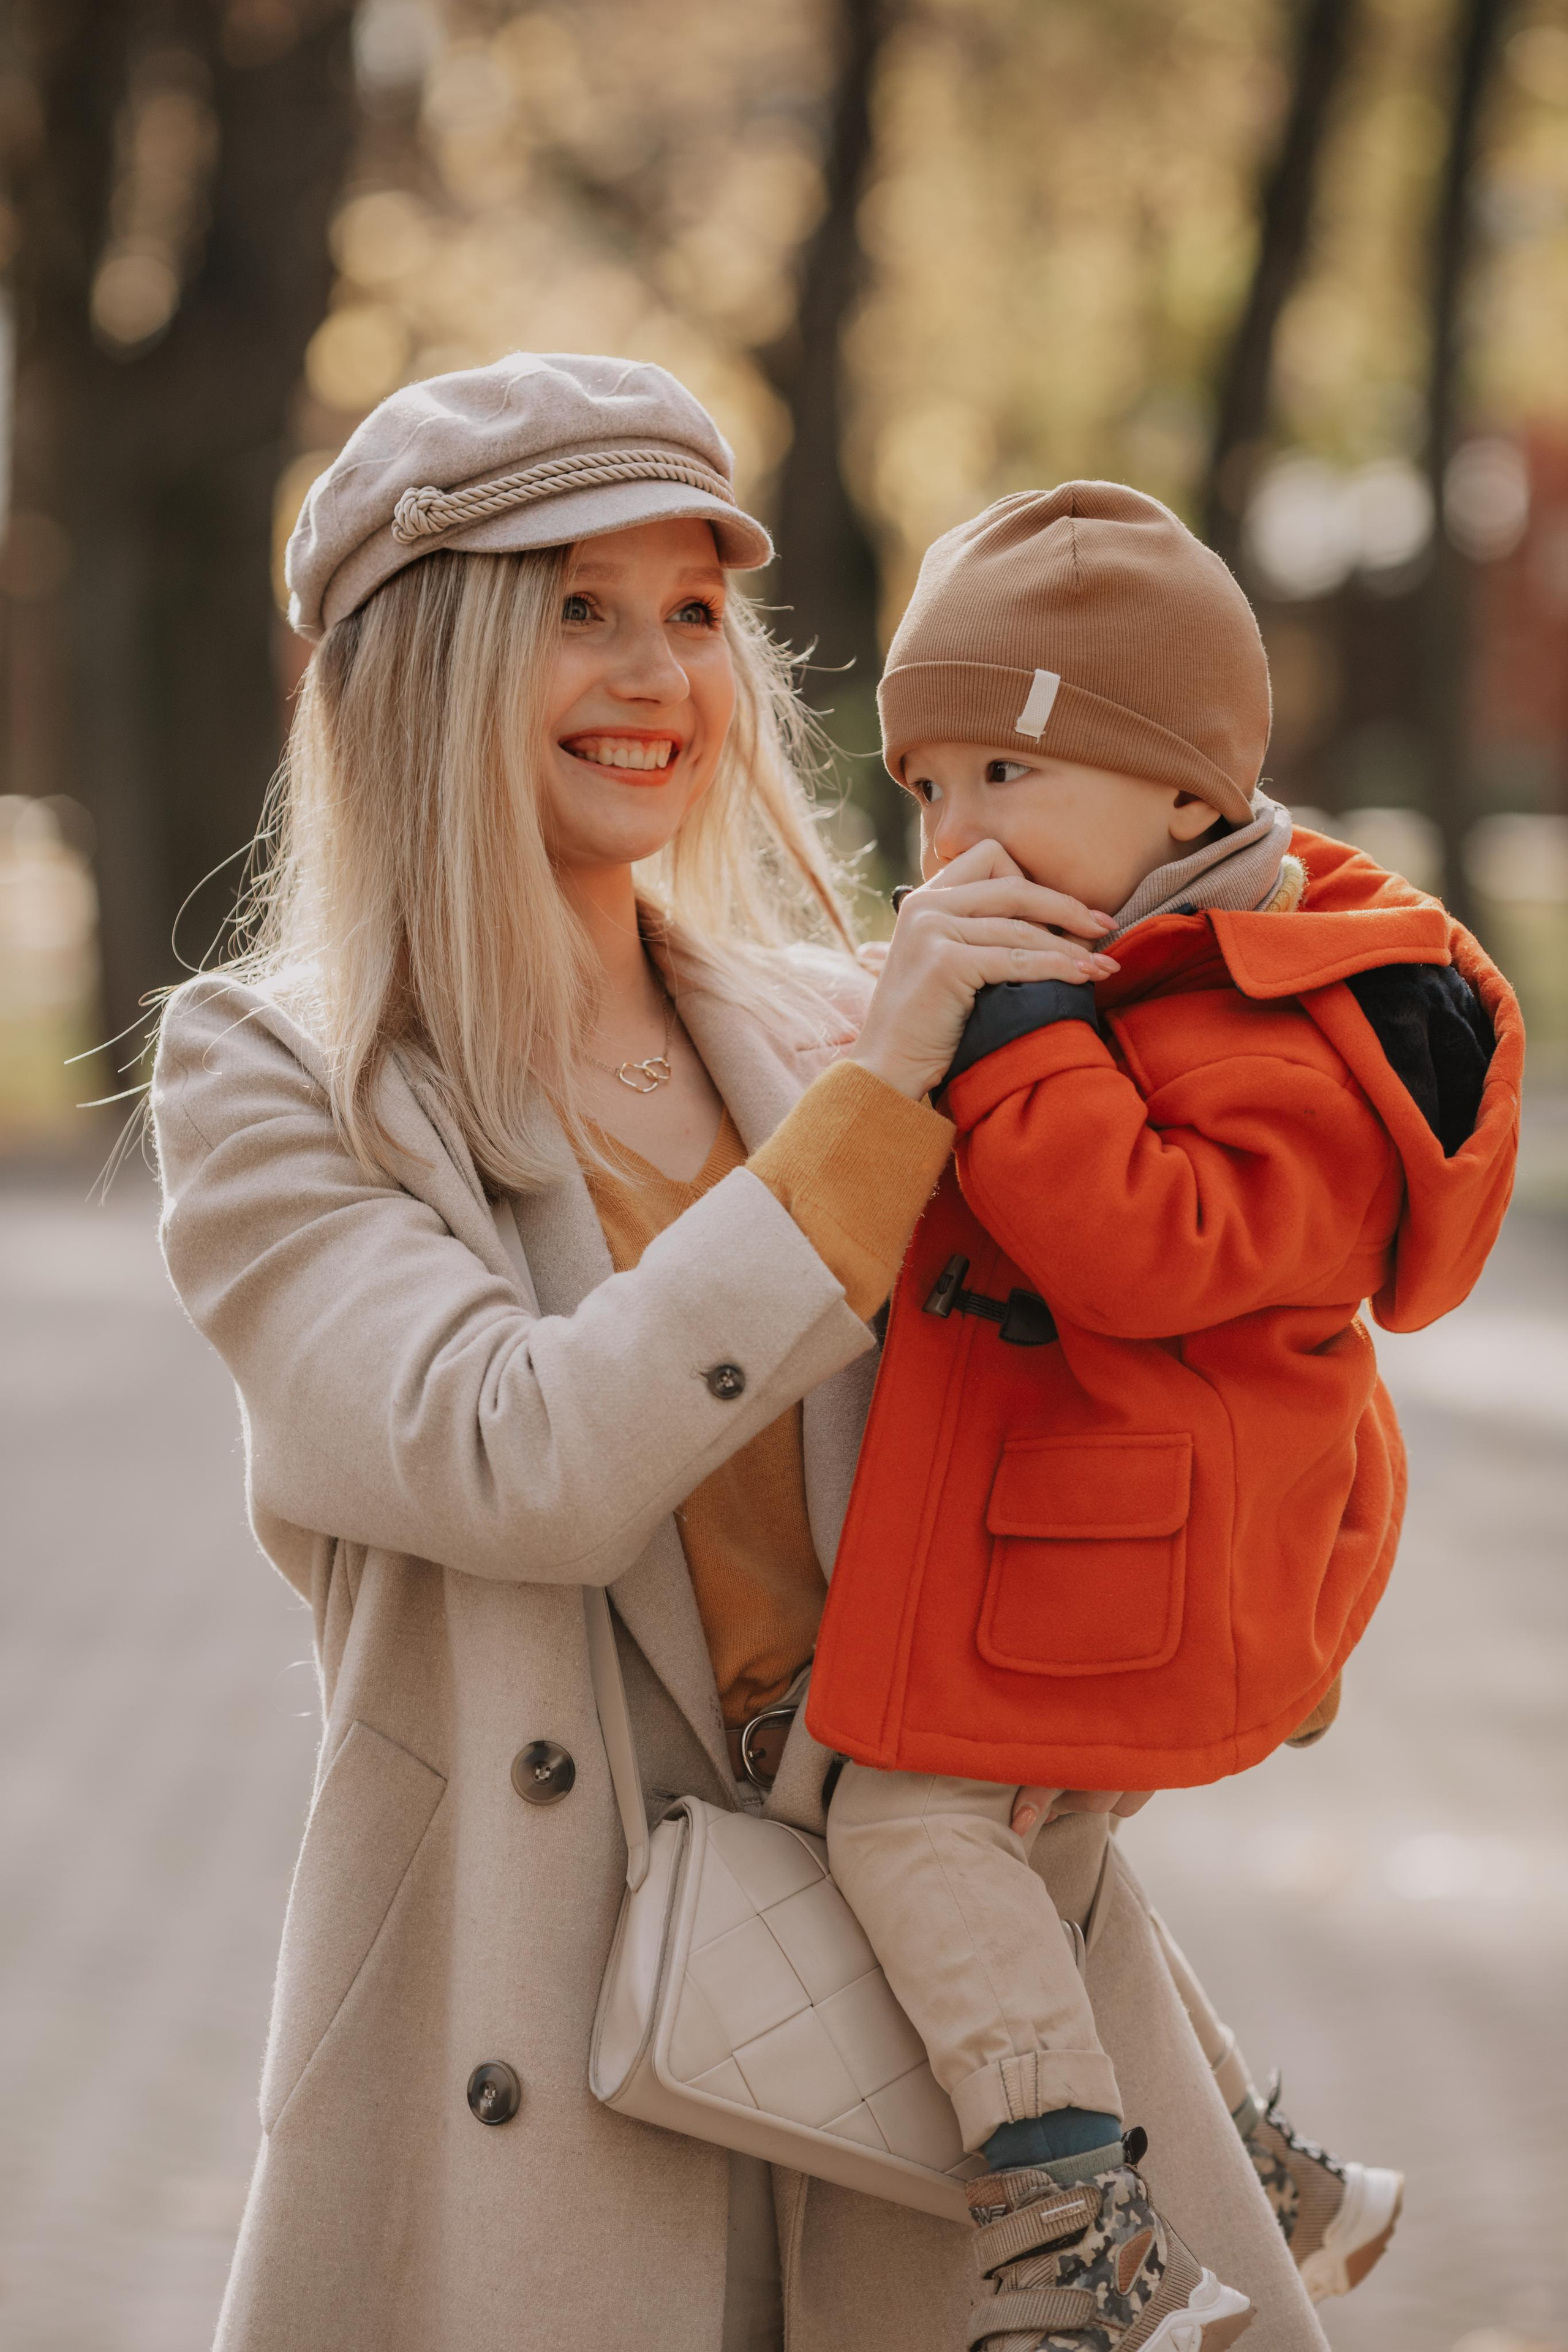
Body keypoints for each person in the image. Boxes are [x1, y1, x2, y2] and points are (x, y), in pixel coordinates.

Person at [152, 361, 1330, 2352]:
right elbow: (509, 1455)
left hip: (926, 2012)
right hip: (535, 2032)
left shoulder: (827, 1009)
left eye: (696, 612)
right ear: (424, 664)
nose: (662, 677)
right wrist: (880, 1104)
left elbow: (1157, 1327)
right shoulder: (283, 1081)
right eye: (580, 609)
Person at [806, 483, 1523, 2352]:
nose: (956, 837)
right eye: (928, 789)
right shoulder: (1137, 963)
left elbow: (1145, 1245)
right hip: (1093, 1550)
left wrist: (1018, 1034)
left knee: (906, 1827)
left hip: (1143, 1564)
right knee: (1037, 1864)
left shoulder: (1301, 1028)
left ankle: (1072, 2243)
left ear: (1187, 797)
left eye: (1009, 780)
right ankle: (1272, 2186)